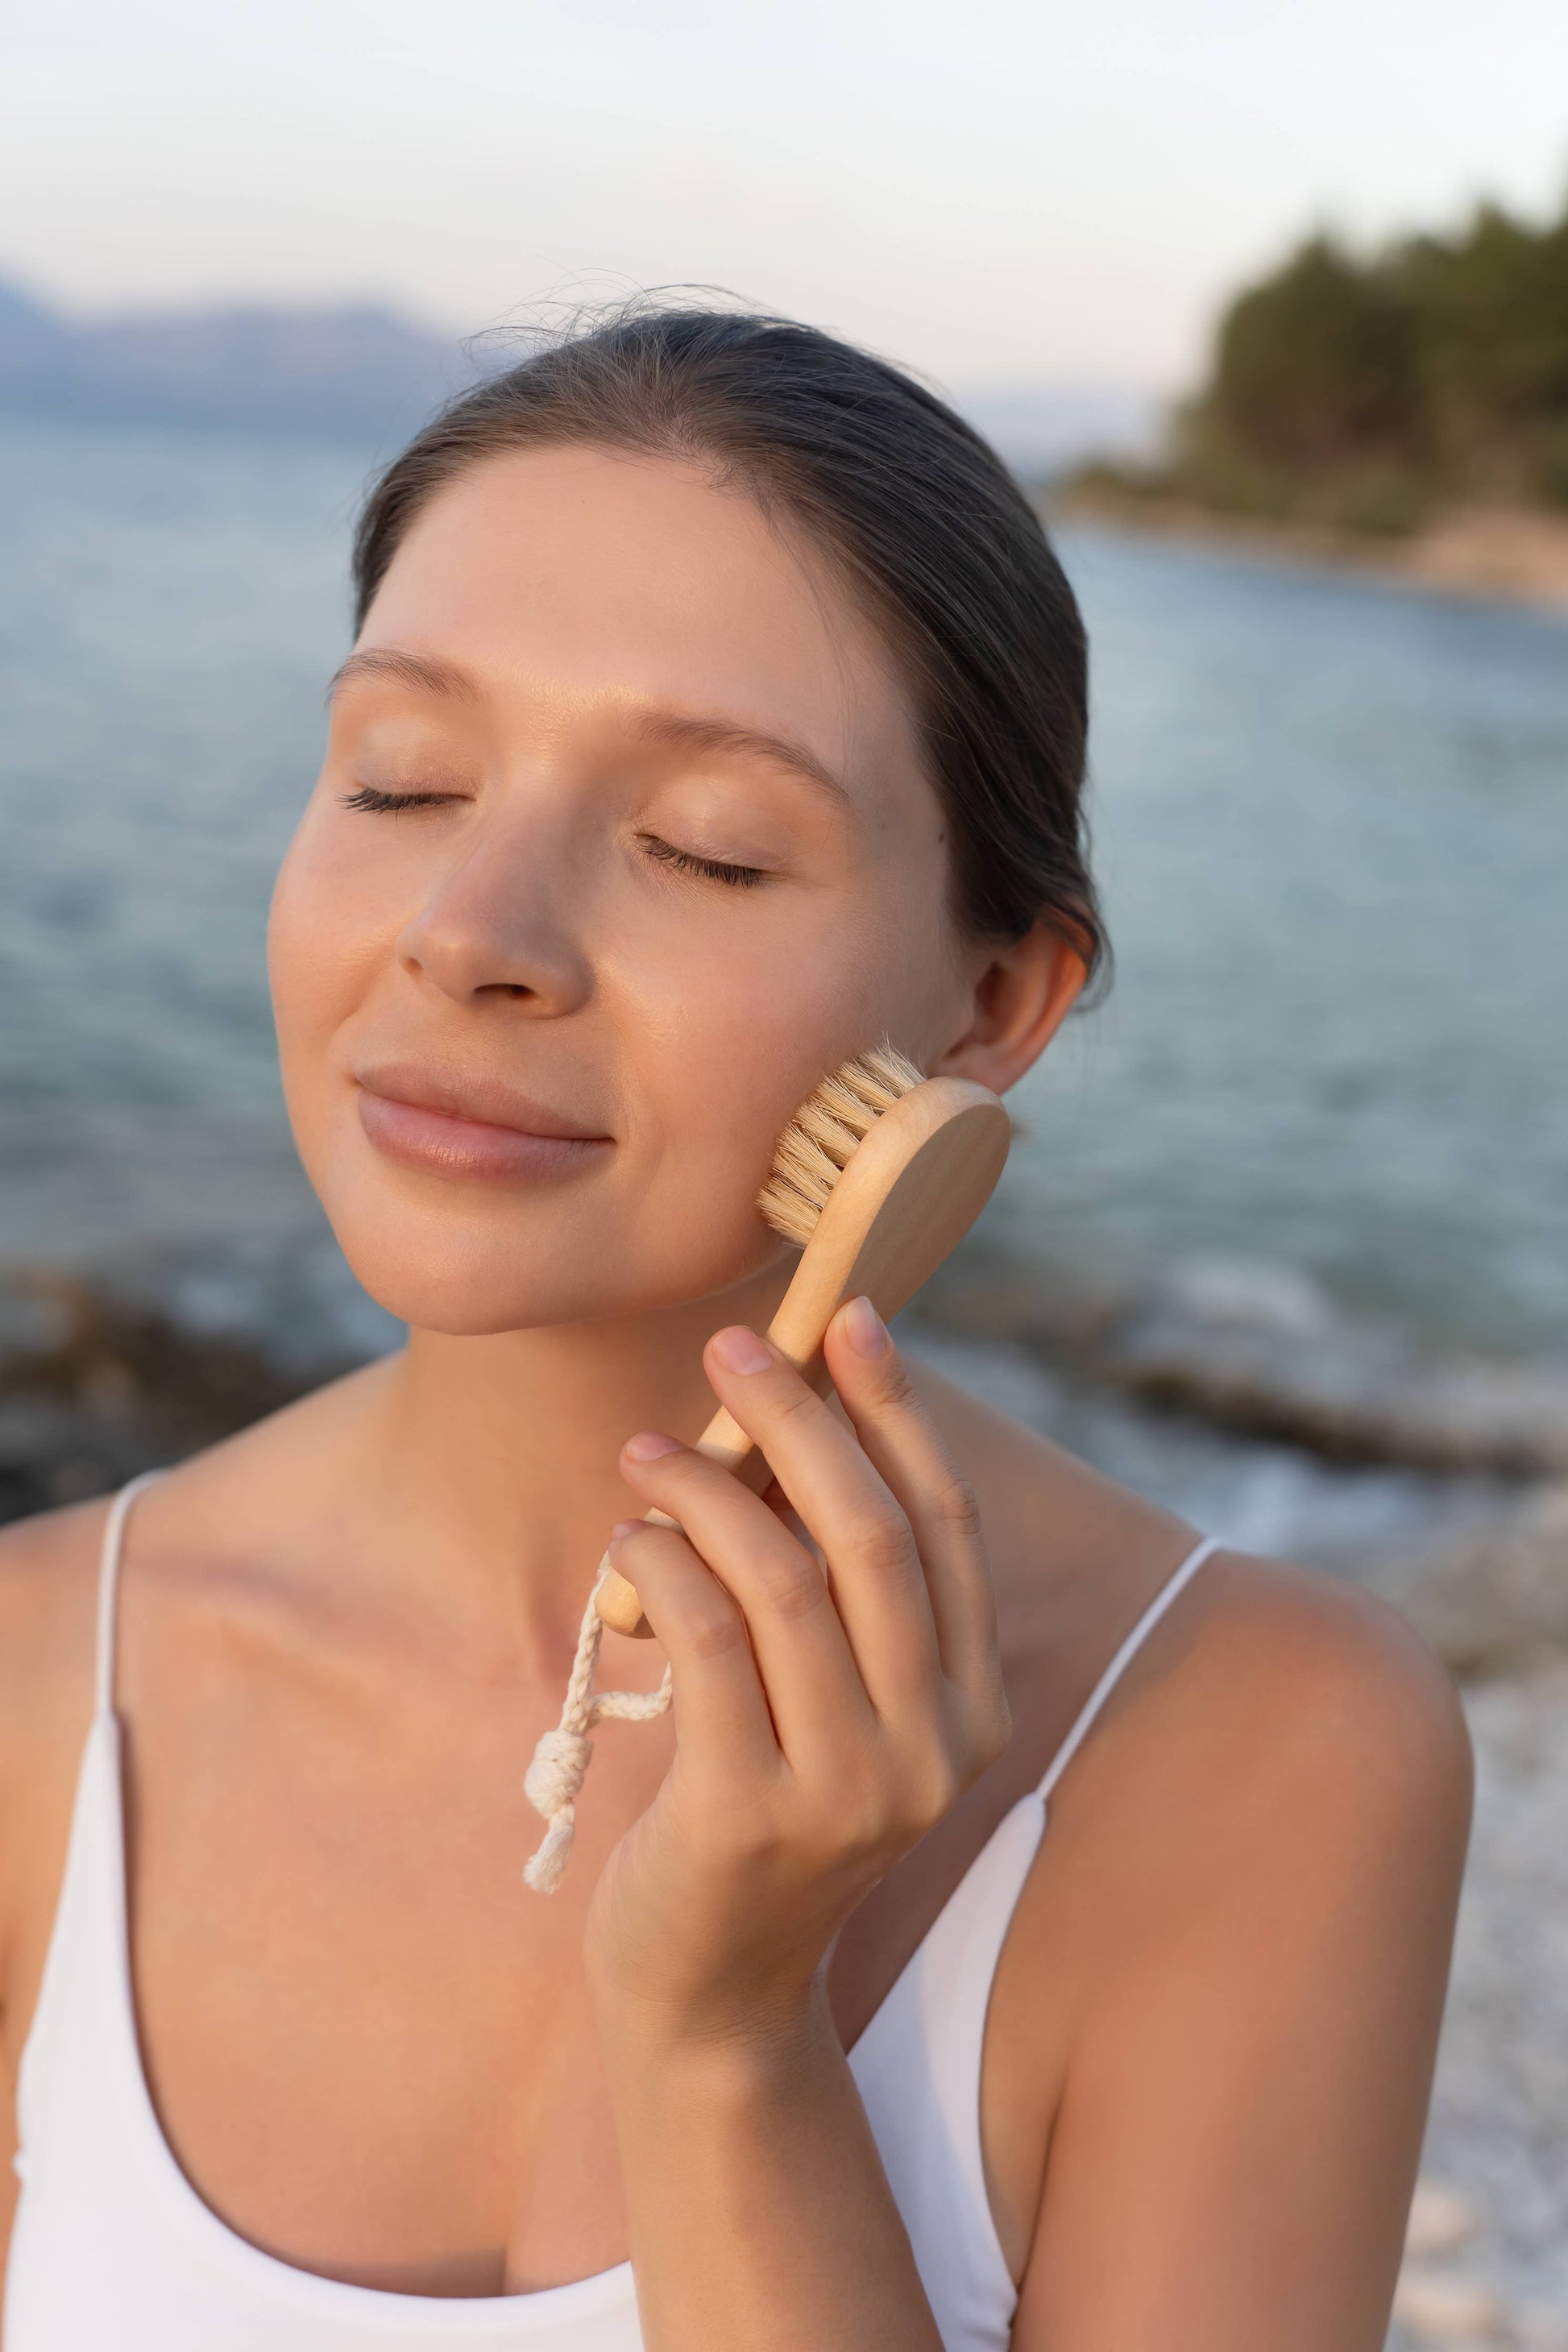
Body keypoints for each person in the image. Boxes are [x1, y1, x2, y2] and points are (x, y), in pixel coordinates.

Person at [0, 306, 1471, 2350]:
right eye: (402, 777)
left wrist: (721, 2044)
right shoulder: (38, 1689)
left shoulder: (1255, 1748)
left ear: (989, 1011)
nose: (471, 932)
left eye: (703, 841)